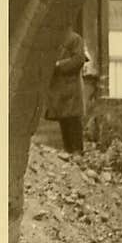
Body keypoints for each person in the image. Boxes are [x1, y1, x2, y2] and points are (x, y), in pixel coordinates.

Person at [45, 25, 87, 154]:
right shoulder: (50, 39)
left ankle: (77, 151)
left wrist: (58, 65)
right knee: (63, 118)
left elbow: (79, 60)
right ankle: (68, 150)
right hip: (57, 86)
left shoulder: (74, 39)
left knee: (73, 118)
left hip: (71, 86)